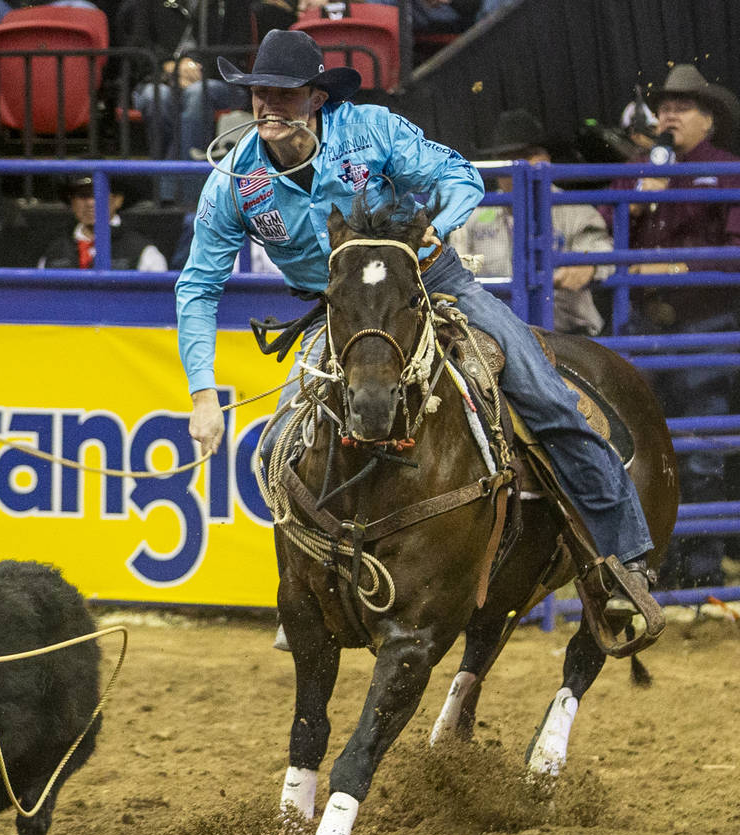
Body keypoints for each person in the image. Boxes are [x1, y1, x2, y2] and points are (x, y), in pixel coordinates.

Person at [175, 29, 658, 630]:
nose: (270, 106)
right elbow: (197, 285)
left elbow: (460, 177)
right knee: (281, 447)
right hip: (342, 310)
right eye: (260, 93)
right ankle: (311, 588)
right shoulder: (233, 184)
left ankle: (626, 558)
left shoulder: (371, 131)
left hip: (431, 279)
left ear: (317, 98)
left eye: (286, 93)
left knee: (544, 393)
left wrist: (441, 223)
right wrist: (202, 393)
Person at [612, 64, 740, 590]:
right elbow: (608, 221)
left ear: (706, 119)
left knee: (701, 444)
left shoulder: (727, 170)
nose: (669, 115)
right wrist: (640, 196)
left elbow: (735, 253)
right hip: (646, 323)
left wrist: (681, 267)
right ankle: (646, 565)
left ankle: (701, 570)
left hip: (702, 321)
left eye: (682, 107)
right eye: (664, 107)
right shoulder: (640, 170)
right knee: (636, 444)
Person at [447, 108, 613, 336]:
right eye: (504, 158)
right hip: (498, 334)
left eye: (522, 156)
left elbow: (601, 247)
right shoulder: (474, 216)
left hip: (569, 334)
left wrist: (588, 266)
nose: (513, 168)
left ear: (543, 159)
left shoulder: (574, 209)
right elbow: (458, 269)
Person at [114, 0, 252, 194]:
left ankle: (180, 192)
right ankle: (177, 187)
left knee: (197, 93)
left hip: (218, 81)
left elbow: (238, 45)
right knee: (157, 97)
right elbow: (139, 43)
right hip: (160, 78)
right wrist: (167, 66)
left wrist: (199, 69)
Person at [38, 175, 168, 271]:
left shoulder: (144, 252)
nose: (90, 203)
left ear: (118, 200)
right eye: (82, 195)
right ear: (71, 202)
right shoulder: (53, 252)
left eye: (97, 194)